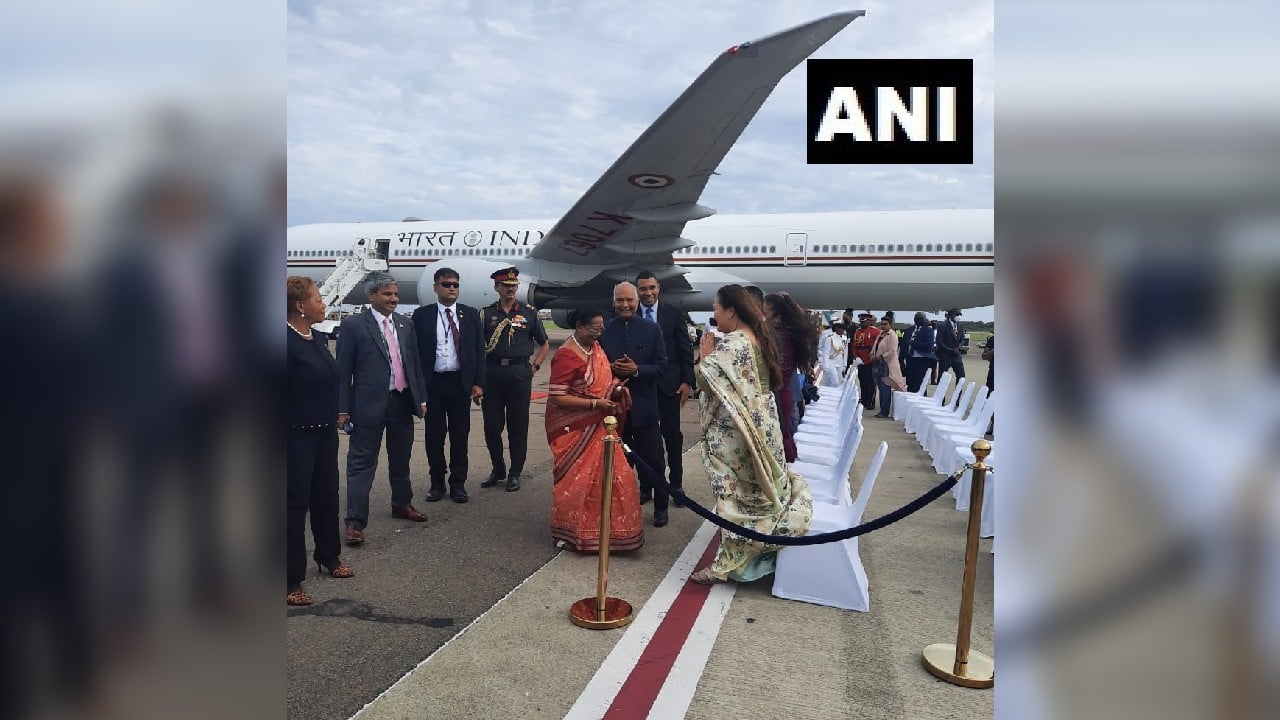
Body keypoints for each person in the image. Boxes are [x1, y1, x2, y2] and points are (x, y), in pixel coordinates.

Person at [689, 284, 813, 584]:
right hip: (761, 425)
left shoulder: (733, 344)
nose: (714, 316)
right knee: (756, 492)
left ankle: (730, 564)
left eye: (717, 309)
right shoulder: (760, 337)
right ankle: (747, 558)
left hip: (736, 435)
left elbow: (707, 382)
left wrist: (704, 358)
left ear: (732, 310)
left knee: (733, 497)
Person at [336, 274, 429, 546]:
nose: (394, 299)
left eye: (396, 294)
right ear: (372, 296)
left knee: (401, 460)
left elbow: (413, 365)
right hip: (367, 406)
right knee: (361, 465)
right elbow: (342, 373)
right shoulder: (353, 326)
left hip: (401, 402)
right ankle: (355, 521)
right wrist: (342, 409)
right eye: (388, 294)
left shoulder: (405, 324)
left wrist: (421, 399)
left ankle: (402, 504)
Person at [546, 308, 644, 552]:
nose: (599, 333)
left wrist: (617, 390)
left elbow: (603, 380)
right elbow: (558, 397)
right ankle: (572, 533)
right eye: (594, 328)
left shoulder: (596, 350)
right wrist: (595, 404)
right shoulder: (567, 356)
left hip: (600, 426)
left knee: (618, 477)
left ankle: (613, 534)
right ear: (579, 326)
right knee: (577, 483)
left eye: (602, 328)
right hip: (574, 428)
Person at [287, 277, 354, 605]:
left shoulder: (315, 337)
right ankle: (290, 578)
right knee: (293, 505)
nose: (323, 303)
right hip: (293, 435)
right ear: (300, 306)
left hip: (323, 433)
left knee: (327, 496)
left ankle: (329, 557)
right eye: (317, 298)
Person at [412, 267, 485, 503]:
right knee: (434, 436)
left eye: (455, 284)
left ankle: (458, 483)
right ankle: (436, 482)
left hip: (459, 383)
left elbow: (478, 352)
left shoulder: (470, 315)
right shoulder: (422, 315)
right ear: (436, 287)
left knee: (459, 436)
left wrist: (478, 383)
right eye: (446, 284)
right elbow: (413, 354)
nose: (451, 288)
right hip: (433, 384)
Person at [599, 282, 670, 527]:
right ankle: (623, 508)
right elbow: (596, 366)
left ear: (637, 301)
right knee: (620, 464)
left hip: (644, 407)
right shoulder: (605, 330)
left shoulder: (652, 330)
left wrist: (637, 370)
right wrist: (609, 369)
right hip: (615, 410)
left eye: (629, 300)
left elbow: (662, 366)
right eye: (620, 300)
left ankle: (661, 507)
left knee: (654, 461)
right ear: (614, 302)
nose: (625, 305)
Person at [480, 267, 550, 492]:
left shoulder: (529, 313)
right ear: (496, 287)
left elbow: (544, 343)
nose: (510, 289)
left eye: (513, 285)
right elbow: (476, 347)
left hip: (519, 374)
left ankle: (515, 472)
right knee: (492, 427)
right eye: (506, 285)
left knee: (518, 427)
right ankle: (498, 468)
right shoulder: (485, 313)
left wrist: (535, 366)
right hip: (492, 374)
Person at [636, 271, 695, 508]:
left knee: (672, 437)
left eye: (652, 288)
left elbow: (685, 349)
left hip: (670, 387)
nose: (648, 293)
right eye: (643, 289)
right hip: (642, 388)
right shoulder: (632, 314)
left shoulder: (672, 312)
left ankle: (676, 485)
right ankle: (646, 486)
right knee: (644, 441)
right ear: (637, 290)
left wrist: (687, 382)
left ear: (658, 288)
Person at [763, 292, 817, 463]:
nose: (763, 317)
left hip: (778, 395)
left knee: (779, 440)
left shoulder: (778, 336)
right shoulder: (786, 333)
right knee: (784, 436)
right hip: (784, 393)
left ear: (776, 314)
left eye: (765, 313)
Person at [869, 316, 907, 418]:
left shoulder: (892, 335)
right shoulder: (880, 334)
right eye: (882, 324)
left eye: (885, 324)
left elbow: (893, 351)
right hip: (878, 364)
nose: (883, 326)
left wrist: (880, 356)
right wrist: (872, 354)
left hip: (888, 365)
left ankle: (885, 412)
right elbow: (875, 347)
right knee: (881, 387)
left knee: (886, 388)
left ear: (890, 325)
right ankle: (882, 410)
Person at [852, 311, 881, 410]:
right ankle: (864, 399)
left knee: (871, 382)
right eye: (861, 321)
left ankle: (870, 402)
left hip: (871, 360)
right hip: (861, 360)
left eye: (863, 322)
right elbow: (854, 346)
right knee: (862, 380)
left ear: (869, 321)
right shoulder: (858, 332)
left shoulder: (875, 331)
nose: (861, 323)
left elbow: (879, 346)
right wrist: (856, 357)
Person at [904, 312, 937, 393]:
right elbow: (904, 344)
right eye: (917, 318)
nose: (919, 320)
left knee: (920, 382)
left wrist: (913, 343)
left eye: (921, 318)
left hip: (921, 359)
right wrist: (901, 358)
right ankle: (910, 401)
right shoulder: (909, 329)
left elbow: (928, 344)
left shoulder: (928, 330)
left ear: (924, 319)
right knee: (910, 382)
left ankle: (921, 399)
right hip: (910, 359)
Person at [935, 307, 966, 381]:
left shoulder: (960, 325)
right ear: (951, 315)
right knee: (942, 377)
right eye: (957, 315)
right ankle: (940, 392)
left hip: (957, 356)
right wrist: (950, 350)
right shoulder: (943, 325)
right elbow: (939, 342)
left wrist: (959, 347)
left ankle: (958, 392)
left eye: (959, 315)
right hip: (945, 356)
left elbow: (962, 338)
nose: (958, 317)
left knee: (961, 376)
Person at [817, 322, 848, 387]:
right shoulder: (830, 338)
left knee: (837, 383)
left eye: (843, 328)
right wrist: (825, 365)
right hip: (831, 363)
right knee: (835, 382)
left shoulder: (844, 339)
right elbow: (826, 353)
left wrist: (845, 365)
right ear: (836, 328)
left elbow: (845, 353)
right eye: (841, 328)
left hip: (840, 363)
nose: (842, 330)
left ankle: (830, 394)